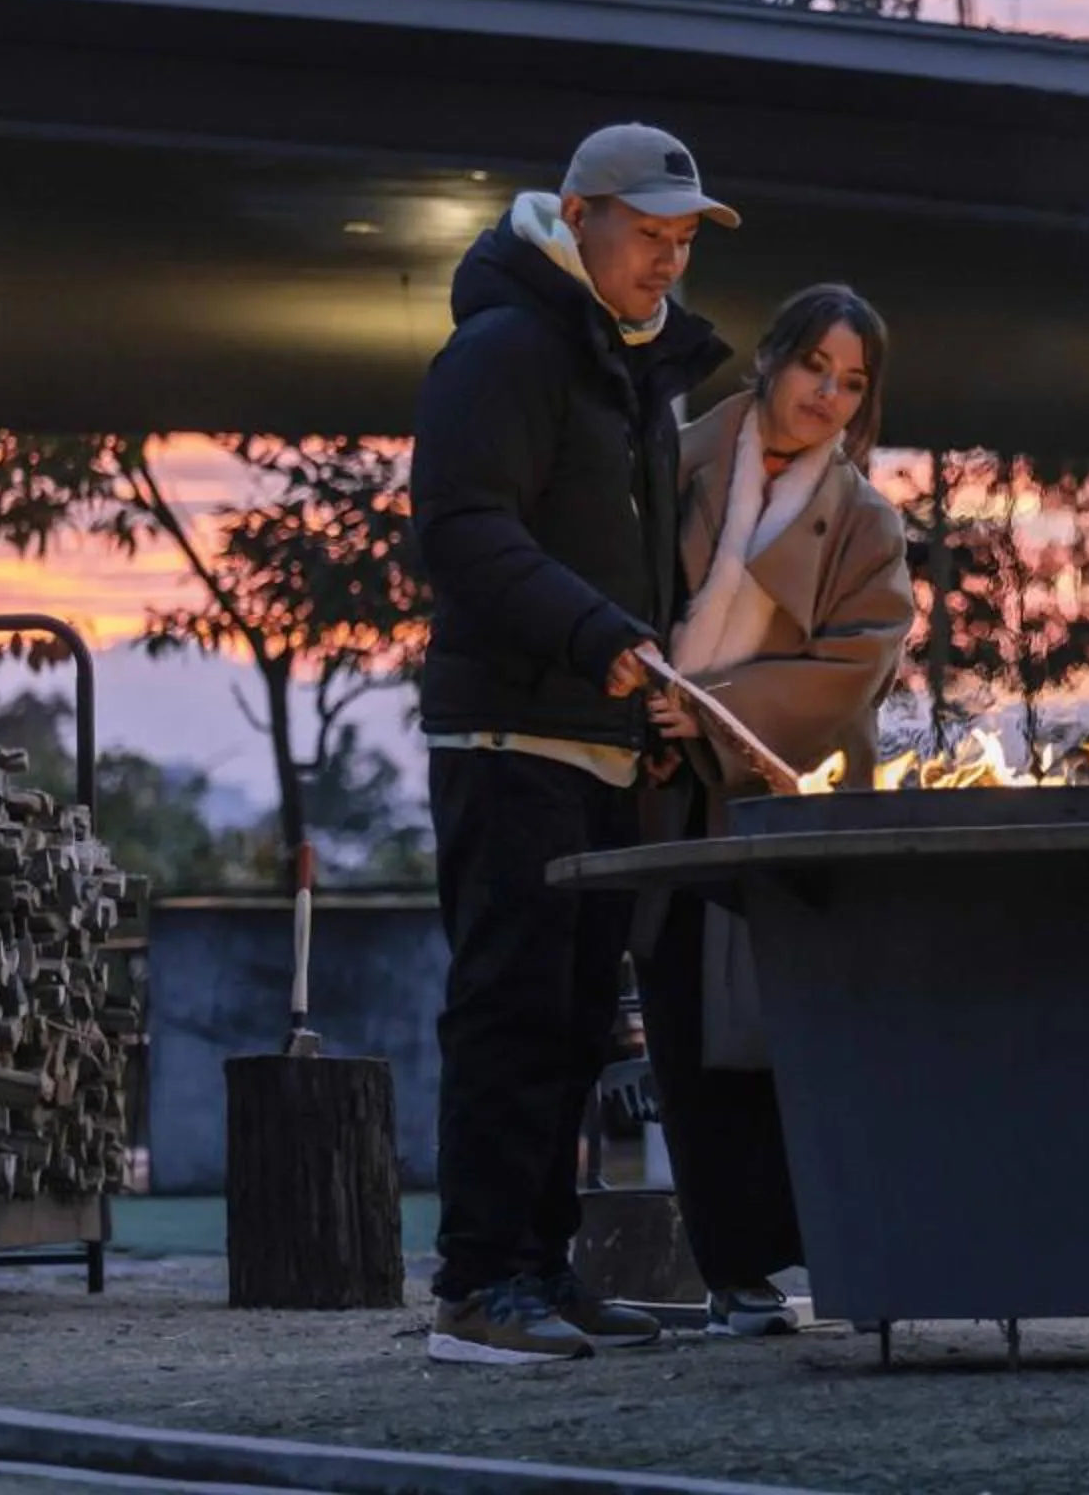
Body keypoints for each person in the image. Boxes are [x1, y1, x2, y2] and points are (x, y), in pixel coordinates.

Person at [410, 123, 738, 1365]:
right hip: (507, 735)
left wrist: (646, 680)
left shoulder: (630, 367)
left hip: (597, 738)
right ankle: (479, 1284)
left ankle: (540, 1267)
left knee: (572, 1022)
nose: (668, 260)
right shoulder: (504, 349)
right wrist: (600, 633)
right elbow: (458, 525)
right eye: (649, 233)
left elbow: (625, 554)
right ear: (580, 215)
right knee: (507, 1011)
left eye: (682, 239)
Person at [638, 284, 912, 1339]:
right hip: (656, 784)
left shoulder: (867, 521)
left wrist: (706, 708)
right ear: (774, 358)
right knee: (681, 1032)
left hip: (770, 794)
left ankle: (831, 1252)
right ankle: (732, 1269)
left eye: (852, 383)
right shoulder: (669, 456)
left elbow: (855, 665)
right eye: (817, 368)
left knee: (784, 1035)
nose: (828, 396)